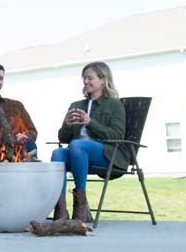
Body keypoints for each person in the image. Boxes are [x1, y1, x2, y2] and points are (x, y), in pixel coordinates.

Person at [51, 61, 128, 223]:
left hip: (107, 155)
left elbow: (118, 135)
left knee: (77, 144)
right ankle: (60, 210)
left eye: (90, 78)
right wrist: (67, 124)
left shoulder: (115, 105)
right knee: (58, 152)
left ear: (103, 79)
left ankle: (80, 207)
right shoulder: (76, 105)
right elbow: (62, 138)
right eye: (84, 78)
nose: (86, 82)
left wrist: (89, 122)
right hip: (77, 153)